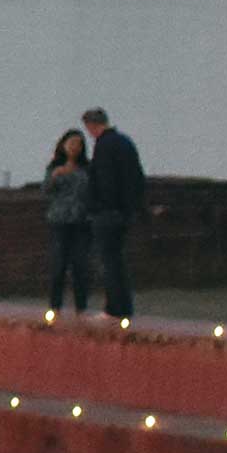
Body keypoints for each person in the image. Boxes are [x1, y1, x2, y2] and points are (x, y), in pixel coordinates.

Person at [80, 106, 147, 320]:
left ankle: (114, 309)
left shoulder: (104, 145)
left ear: (91, 125)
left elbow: (105, 180)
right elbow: (137, 178)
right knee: (117, 260)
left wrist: (100, 205)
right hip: (124, 212)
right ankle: (123, 306)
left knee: (109, 261)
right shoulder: (125, 142)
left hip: (108, 213)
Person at [39, 128, 94, 313]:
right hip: (60, 220)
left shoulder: (87, 168)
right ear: (63, 145)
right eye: (71, 143)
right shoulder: (55, 167)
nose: (74, 147)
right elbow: (46, 190)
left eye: (78, 144)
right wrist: (56, 175)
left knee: (80, 265)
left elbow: (93, 191)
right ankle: (55, 306)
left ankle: (81, 307)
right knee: (59, 265)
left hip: (81, 221)